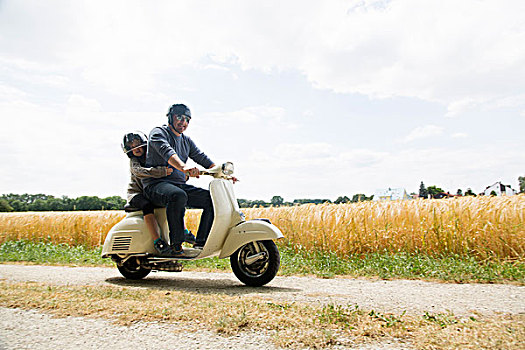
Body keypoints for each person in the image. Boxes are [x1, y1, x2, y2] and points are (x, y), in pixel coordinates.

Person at [143, 104, 215, 257]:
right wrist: (184, 168)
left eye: (188, 120)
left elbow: (201, 157)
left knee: (212, 199)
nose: (184, 122)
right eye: (180, 117)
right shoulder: (158, 133)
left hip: (178, 185)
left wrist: (221, 171)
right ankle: (176, 246)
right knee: (178, 195)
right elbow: (167, 152)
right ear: (171, 117)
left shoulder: (186, 140)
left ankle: (200, 242)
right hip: (156, 185)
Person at [121, 131, 196, 257]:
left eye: (137, 144)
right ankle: (157, 241)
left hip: (150, 190)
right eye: (131, 146)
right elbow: (139, 172)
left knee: (174, 199)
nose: (136, 148)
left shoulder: (153, 156)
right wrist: (160, 172)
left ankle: (183, 231)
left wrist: (182, 175)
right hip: (137, 193)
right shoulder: (134, 161)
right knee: (147, 205)